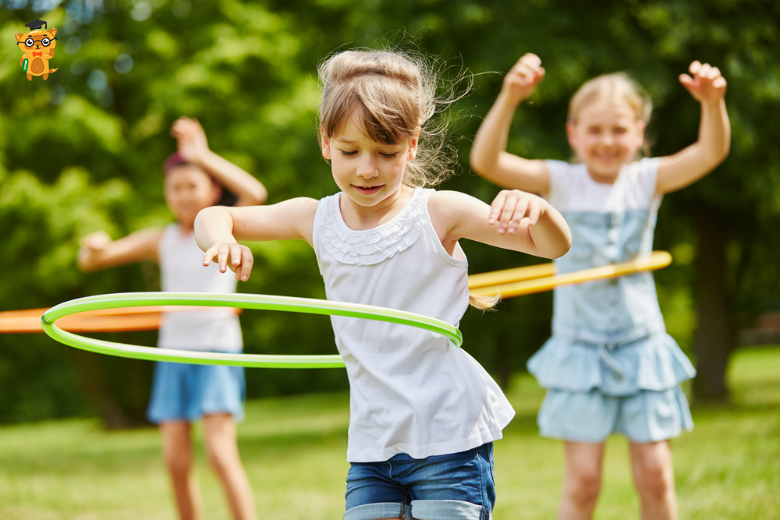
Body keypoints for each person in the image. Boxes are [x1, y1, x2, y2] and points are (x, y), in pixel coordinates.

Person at [193, 49, 571, 520]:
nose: (366, 169)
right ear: (326, 142)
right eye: (350, 151)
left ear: (411, 146)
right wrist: (222, 240)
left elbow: (550, 246)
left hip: (448, 435)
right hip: (373, 445)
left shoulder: (440, 212)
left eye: (386, 153)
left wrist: (540, 209)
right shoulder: (314, 218)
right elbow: (212, 214)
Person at [470, 54, 730, 520]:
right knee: (584, 479)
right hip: (580, 349)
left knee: (655, 474)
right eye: (594, 130)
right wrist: (510, 96)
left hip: (640, 345)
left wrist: (713, 104)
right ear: (573, 133)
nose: (606, 141)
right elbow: (486, 161)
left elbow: (710, 153)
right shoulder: (560, 181)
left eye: (618, 130)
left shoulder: (646, 179)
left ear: (638, 135)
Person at [77, 117, 267, 520]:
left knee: (219, 454)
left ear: (213, 190)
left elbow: (255, 192)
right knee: (175, 462)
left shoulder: (225, 227)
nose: (183, 196)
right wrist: (93, 248)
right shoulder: (160, 240)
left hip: (217, 351)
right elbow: (94, 260)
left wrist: (202, 155)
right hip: (173, 354)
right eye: (175, 188)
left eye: (192, 186)